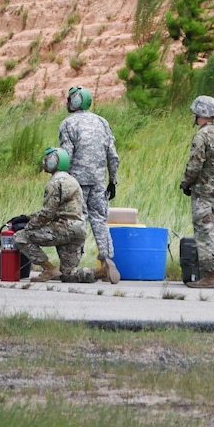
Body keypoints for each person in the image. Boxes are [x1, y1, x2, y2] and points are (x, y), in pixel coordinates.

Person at [58, 86, 121, 284]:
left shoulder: (68, 124)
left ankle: (73, 265)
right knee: (100, 220)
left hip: (76, 182)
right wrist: (113, 180)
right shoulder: (102, 122)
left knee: (79, 220)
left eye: (69, 99)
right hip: (99, 180)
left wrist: (61, 181)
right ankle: (107, 259)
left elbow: (64, 156)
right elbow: (113, 155)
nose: (67, 102)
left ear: (75, 101)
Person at [14, 147, 99, 284]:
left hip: (64, 228)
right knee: (67, 275)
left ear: (55, 161)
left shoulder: (54, 183)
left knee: (21, 237)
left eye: (47, 159)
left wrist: (29, 227)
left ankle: (49, 269)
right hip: (79, 229)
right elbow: (64, 209)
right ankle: (100, 272)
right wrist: (27, 216)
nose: (45, 162)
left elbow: (48, 213)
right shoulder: (72, 180)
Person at [180, 95, 214, 289]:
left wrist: (185, 183)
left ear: (201, 113)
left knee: (205, 232)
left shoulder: (202, 136)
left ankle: (209, 277)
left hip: (204, 193)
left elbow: (194, 164)